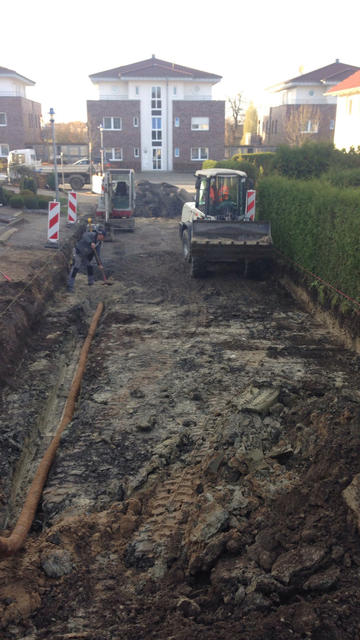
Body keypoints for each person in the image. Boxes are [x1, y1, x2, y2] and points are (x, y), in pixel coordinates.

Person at [67, 226, 106, 292]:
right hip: (78, 252)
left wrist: (99, 264)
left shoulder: (98, 243)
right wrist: (90, 242)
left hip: (85, 255)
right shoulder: (92, 235)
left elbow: (97, 255)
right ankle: (70, 286)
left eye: (101, 236)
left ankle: (91, 282)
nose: (100, 236)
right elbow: (84, 235)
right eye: (99, 235)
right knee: (76, 267)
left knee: (90, 266)